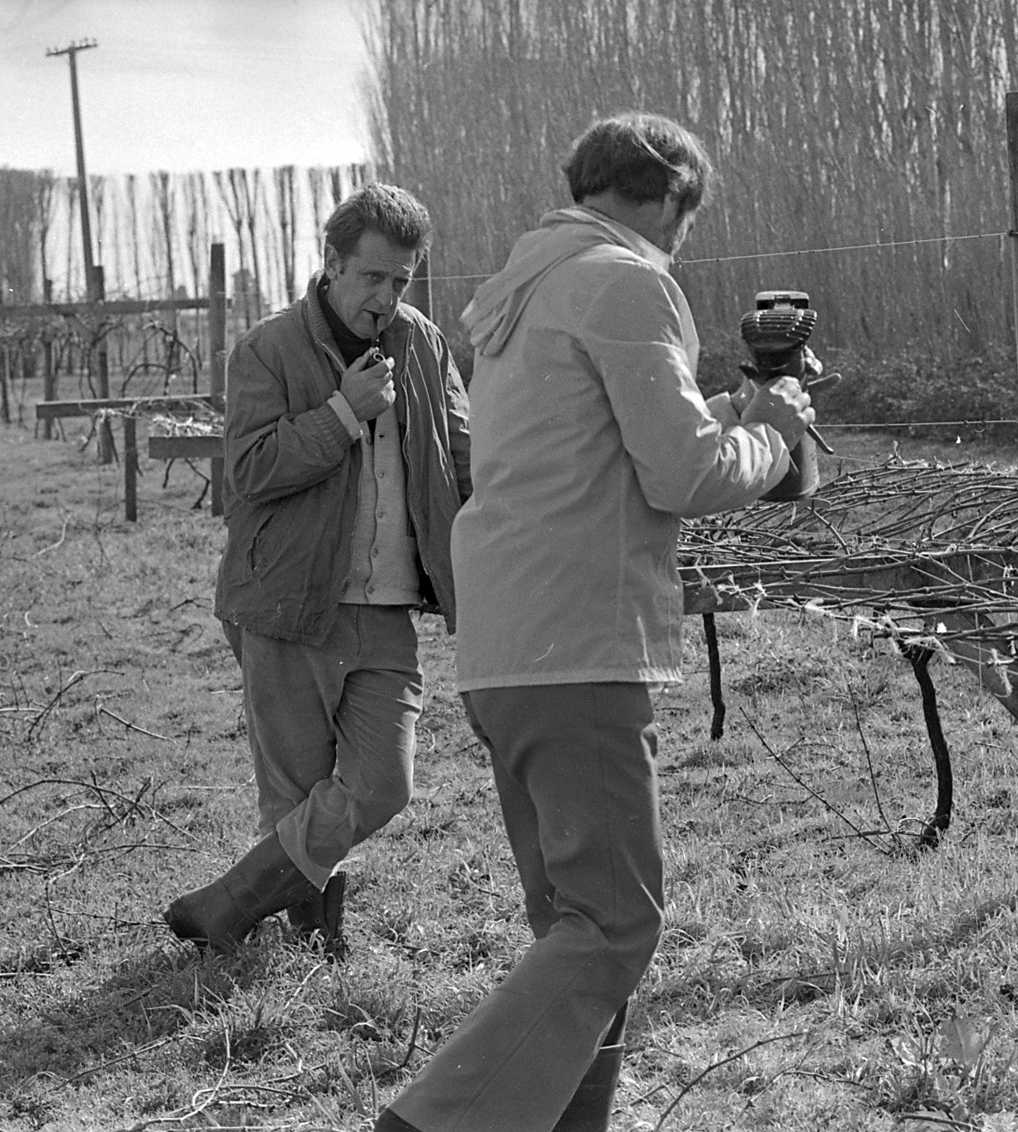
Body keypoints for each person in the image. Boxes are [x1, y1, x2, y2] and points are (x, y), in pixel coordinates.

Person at [375, 114, 813, 1131]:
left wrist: (727, 415)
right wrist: (772, 439)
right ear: (665, 201)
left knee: (574, 930)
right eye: (683, 223)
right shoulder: (627, 277)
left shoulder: (526, 284)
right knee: (613, 926)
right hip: (580, 640)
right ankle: (427, 1124)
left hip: (507, 642)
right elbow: (684, 469)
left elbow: (599, 441)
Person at [165, 183, 472, 958]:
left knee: (383, 782)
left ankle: (228, 901)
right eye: (372, 276)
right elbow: (253, 470)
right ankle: (311, 941)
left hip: (389, 605)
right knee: (297, 792)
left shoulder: (424, 345)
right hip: (286, 604)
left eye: (401, 280)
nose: (386, 295)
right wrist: (343, 412)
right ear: (331, 265)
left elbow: (464, 458)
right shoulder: (267, 349)